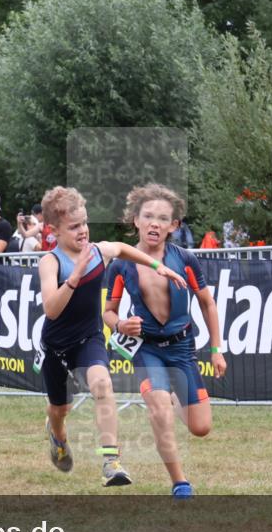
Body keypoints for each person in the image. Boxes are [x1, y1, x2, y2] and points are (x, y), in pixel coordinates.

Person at [38, 186, 186, 487]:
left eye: (85, 223)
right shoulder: (51, 262)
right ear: (54, 230)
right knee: (60, 409)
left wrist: (159, 267)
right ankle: (58, 437)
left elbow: (121, 248)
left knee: (103, 385)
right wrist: (75, 276)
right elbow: (51, 310)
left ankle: (111, 461)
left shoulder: (97, 252)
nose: (83, 230)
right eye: (74, 226)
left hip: (89, 339)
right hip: (56, 347)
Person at [103, 184, 227, 499]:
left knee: (200, 428)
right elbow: (108, 312)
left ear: (173, 226)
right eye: (148, 216)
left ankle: (172, 398)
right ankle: (180, 482)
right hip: (146, 349)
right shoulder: (121, 264)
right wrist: (120, 324)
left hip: (182, 347)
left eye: (162, 219)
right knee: (159, 411)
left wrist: (216, 350)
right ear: (135, 220)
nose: (154, 224)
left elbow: (207, 303)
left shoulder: (184, 258)